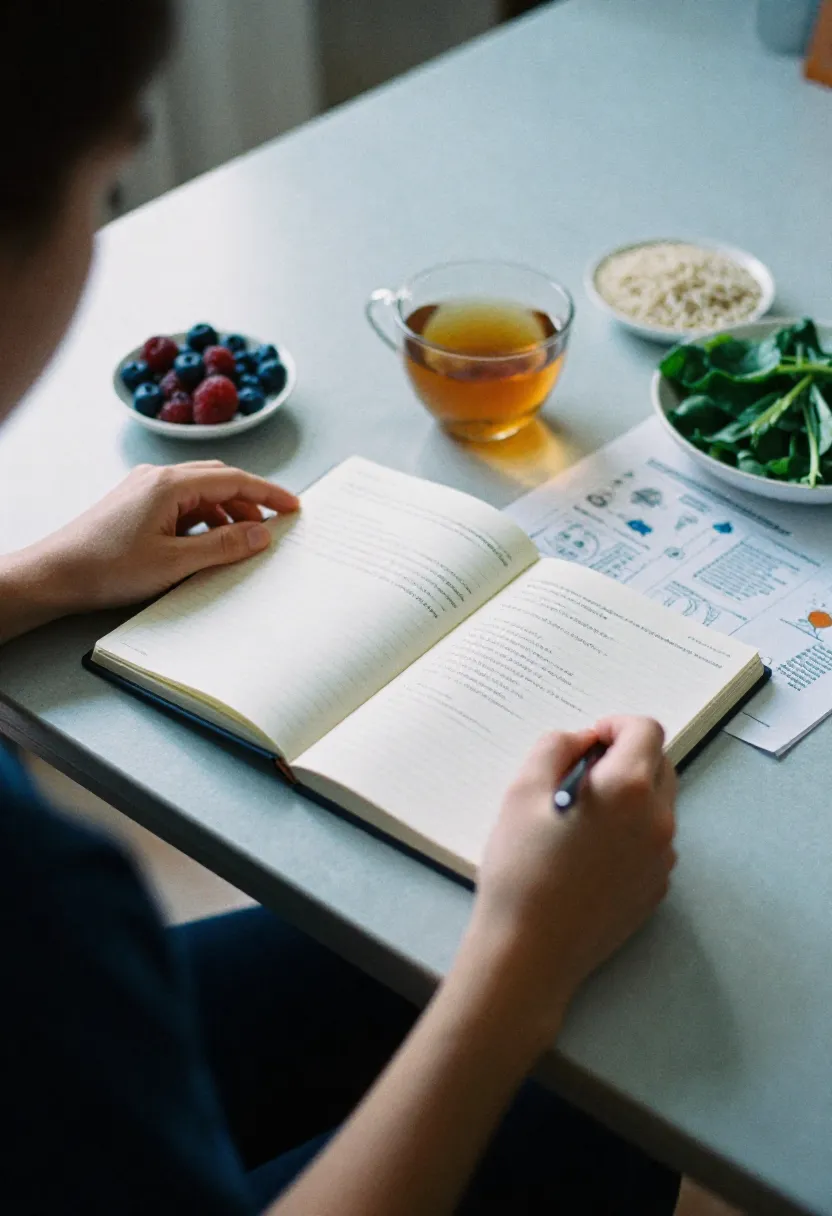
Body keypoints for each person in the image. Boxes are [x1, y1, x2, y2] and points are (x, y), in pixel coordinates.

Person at [0, 3, 730, 1213]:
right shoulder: (46, 900)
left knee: (382, 946)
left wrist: (42, 579)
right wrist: (523, 960)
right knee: (602, 1085)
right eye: (108, 185)